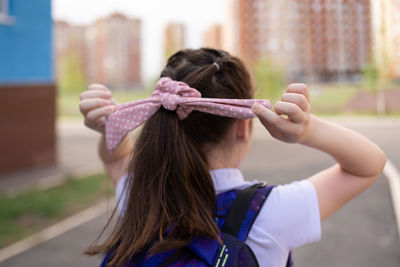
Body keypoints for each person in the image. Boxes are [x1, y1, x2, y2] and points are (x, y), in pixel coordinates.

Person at [79, 48, 386, 267]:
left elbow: (116, 160)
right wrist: (308, 130)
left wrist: (110, 125)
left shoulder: (140, 197)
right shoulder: (271, 212)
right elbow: (368, 165)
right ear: (243, 128)